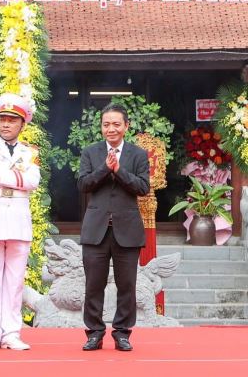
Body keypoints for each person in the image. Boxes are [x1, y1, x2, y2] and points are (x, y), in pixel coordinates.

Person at [78, 104, 150, 352]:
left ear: (126, 126)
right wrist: (104, 169)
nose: (111, 129)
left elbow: (143, 188)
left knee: (127, 285)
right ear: (101, 127)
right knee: (93, 285)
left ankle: (122, 333)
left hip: (127, 229)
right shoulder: (90, 152)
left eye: (116, 124)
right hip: (96, 229)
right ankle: (95, 332)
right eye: (106, 124)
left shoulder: (138, 154)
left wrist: (119, 171)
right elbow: (83, 184)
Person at [0, 93, 40, 351]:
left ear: (22, 125)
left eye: (12, 120)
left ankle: (11, 333)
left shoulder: (30, 153)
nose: (5, 124)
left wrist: (0, 175)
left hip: (19, 220)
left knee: (15, 282)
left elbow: (33, 181)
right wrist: (15, 177)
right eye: (2, 119)